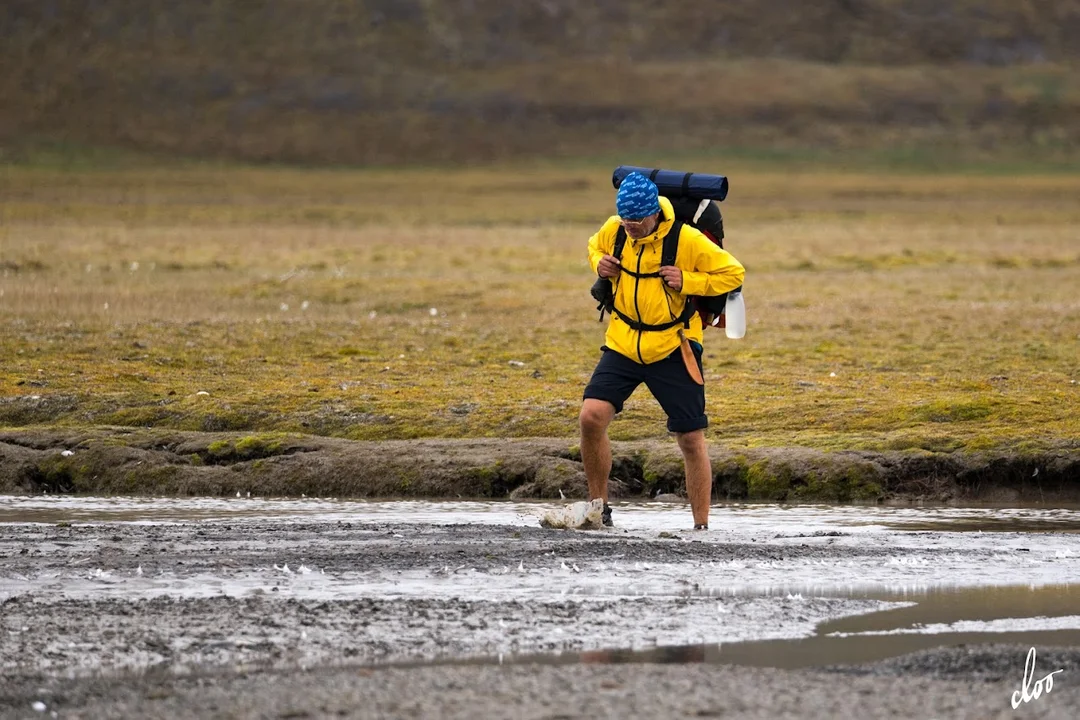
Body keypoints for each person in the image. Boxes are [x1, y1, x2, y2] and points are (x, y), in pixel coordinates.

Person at [580, 172, 745, 530]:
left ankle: (701, 527)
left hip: (675, 345)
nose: (632, 227)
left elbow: (733, 273)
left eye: (638, 221)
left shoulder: (686, 239)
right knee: (590, 417)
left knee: (690, 438)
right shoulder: (615, 229)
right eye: (626, 221)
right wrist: (599, 263)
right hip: (622, 342)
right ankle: (598, 509)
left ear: (654, 213)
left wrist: (690, 281)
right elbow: (594, 245)